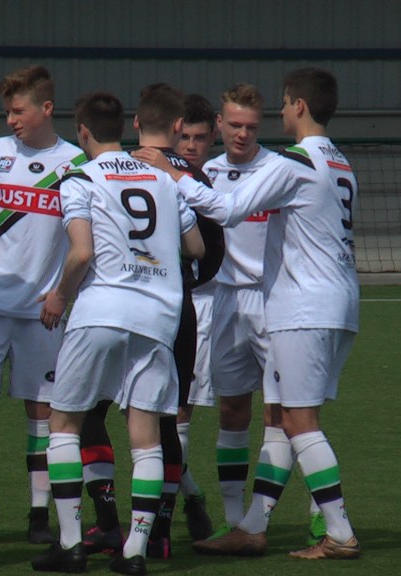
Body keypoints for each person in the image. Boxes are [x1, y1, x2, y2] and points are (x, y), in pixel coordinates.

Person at [134, 67, 362, 560]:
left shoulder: (295, 160)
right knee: (285, 419)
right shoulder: (340, 160)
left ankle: (338, 530)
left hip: (302, 304)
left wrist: (173, 173)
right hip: (337, 300)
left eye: (283, 104)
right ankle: (252, 525)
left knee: (297, 420)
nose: (280, 112)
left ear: (299, 106)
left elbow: (226, 210)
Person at [31, 91, 204, 575]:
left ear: (82, 132)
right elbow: (195, 246)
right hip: (158, 317)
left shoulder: (80, 177)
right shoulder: (164, 178)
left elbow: (81, 253)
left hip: (101, 311)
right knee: (146, 439)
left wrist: (58, 295)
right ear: (124, 129)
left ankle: (71, 545)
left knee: (64, 425)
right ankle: (135, 552)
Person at [75, 84, 224, 560]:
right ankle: (158, 531)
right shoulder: (189, 176)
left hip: (110, 306)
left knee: (87, 413)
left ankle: (105, 521)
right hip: (172, 310)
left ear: (136, 123)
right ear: (178, 127)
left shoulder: (104, 170)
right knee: (164, 420)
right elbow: (209, 249)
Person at [0, 65, 87, 544]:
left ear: (47, 109)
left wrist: (64, 292)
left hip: (43, 310)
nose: (11, 120)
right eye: (8, 113)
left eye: (19, 111)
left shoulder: (75, 162)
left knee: (42, 411)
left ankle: (39, 513)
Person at [174, 93, 219, 540]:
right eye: (184, 136)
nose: (190, 145)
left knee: (179, 414)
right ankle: (189, 492)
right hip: (158, 303)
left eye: (199, 138)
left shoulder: (217, 180)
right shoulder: (155, 177)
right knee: (144, 416)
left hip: (204, 307)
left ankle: (170, 509)